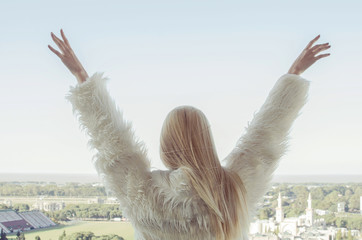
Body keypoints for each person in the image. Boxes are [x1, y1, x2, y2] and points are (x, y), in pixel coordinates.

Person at [49, 30, 330, 240]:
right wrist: (293, 75)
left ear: (166, 142)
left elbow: (113, 143)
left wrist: (82, 78)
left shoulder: (143, 193)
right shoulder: (230, 190)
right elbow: (263, 140)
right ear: (206, 140)